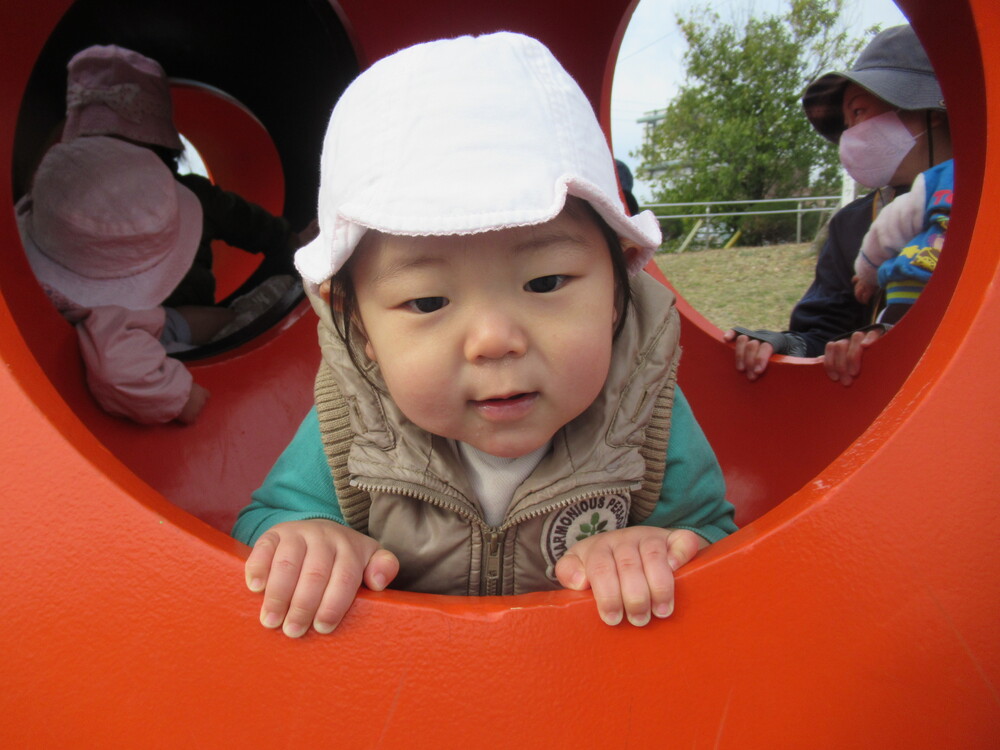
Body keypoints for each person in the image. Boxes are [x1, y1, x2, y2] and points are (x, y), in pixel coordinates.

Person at [232, 32, 737, 637]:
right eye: (427, 300)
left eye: (546, 282)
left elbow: (714, 534)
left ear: (618, 287)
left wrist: (656, 549)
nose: (494, 340)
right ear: (362, 325)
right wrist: (309, 540)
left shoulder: (644, 411)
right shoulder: (355, 423)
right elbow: (266, 522)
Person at [724, 25, 952, 386]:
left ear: (934, 107)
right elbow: (824, 335)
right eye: (847, 124)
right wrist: (788, 345)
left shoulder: (983, 208)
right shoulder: (853, 225)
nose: (852, 135)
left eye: (860, 112)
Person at [62, 44, 314, 310]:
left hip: (175, 322)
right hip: (142, 320)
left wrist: (292, 241)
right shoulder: (68, 206)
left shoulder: (192, 196)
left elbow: (250, 223)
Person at [17, 135, 214, 424]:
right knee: (203, 329)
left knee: (197, 320)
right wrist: (181, 396)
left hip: (136, 321)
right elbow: (116, 372)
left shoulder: (47, 223)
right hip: (128, 337)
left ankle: (229, 319)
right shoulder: (107, 324)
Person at [854, 158, 953, 325]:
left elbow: (890, 225)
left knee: (894, 343)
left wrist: (868, 272)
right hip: (921, 289)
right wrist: (869, 274)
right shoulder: (946, 175)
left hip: (912, 288)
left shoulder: (947, 174)